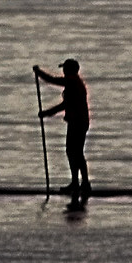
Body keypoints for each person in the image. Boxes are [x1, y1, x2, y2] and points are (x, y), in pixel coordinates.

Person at [34, 58, 92, 194]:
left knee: (75, 153)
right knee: (75, 153)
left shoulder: (72, 82)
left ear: (69, 70)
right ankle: (79, 183)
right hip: (77, 122)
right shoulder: (73, 83)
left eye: (65, 69)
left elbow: (53, 82)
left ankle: (81, 183)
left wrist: (39, 72)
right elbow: (65, 104)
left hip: (78, 123)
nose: (63, 71)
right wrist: (47, 113)